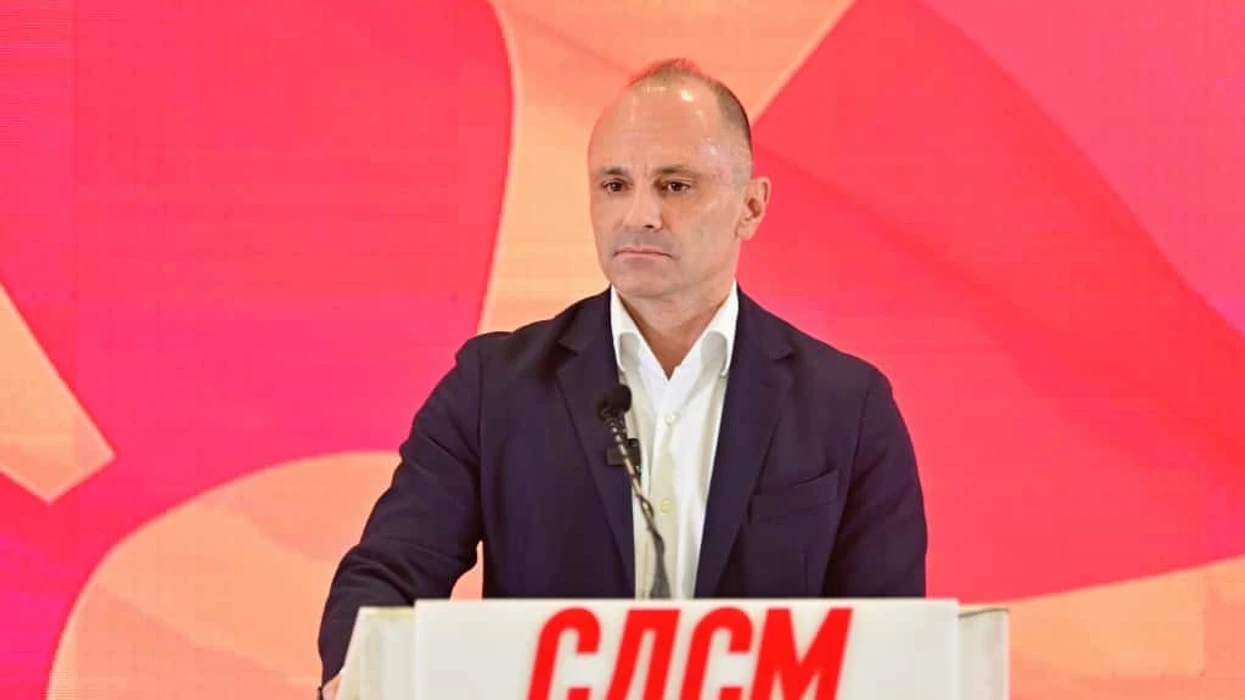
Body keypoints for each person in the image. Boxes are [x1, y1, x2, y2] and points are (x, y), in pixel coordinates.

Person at [316, 58, 927, 698]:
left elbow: (892, 647)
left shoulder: (848, 407)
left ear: (750, 206)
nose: (640, 214)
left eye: (675, 185)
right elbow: (388, 577)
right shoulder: (492, 389)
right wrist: (358, 678)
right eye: (614, 184)